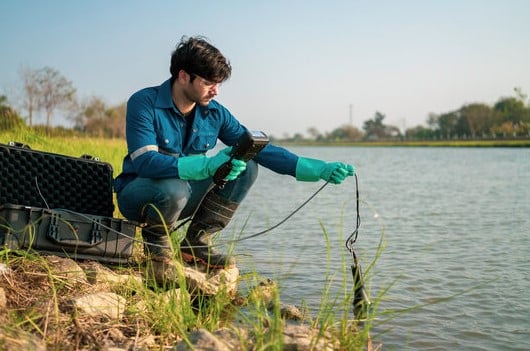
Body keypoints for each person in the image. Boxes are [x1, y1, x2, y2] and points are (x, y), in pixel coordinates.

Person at [114, 36, 354, 282]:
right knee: (174, 187)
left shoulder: (215, 113)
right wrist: (206, 165)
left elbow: (259, 149)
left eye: (218, 84)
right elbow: (146, 163)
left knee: (247, 165)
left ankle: (196, 243)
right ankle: (157, 247)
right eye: (208, 83)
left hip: (181, 196)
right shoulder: (144, 103)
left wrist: (316, 169)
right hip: (138, 195)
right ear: (184, 76)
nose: (215, 91)